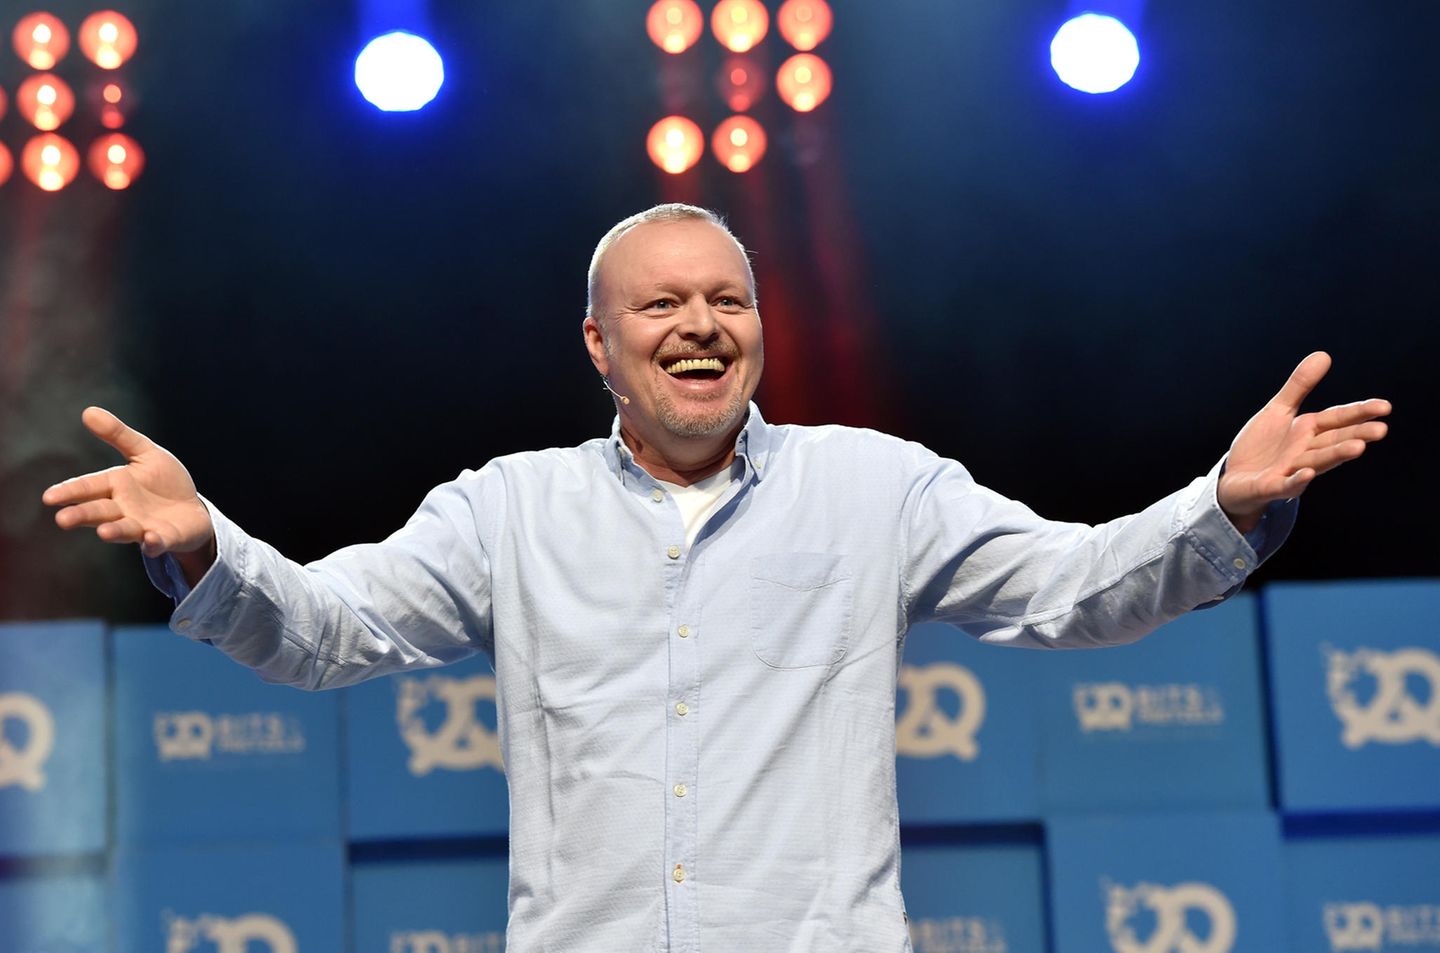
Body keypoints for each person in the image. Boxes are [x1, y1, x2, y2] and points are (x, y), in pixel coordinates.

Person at [44, 204, 1391, 952]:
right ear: (600, 342)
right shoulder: (509, 509)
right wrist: (207, 542)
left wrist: (1220, 503)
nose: (700, 324)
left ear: (758, 325)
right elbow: (328, 630)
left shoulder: (877, 485)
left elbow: (1076, 586)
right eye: (662, 304)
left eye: (727, 300)